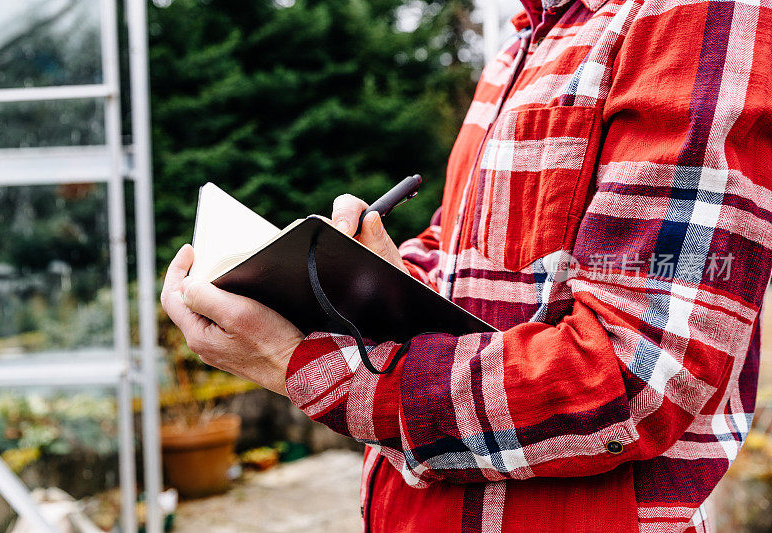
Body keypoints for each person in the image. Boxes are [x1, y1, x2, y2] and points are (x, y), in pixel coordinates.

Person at [160, 0, 772, 529]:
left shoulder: (692, 18)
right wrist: (354, 278)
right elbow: (464, 268)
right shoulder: (527, 40)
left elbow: (636, 375)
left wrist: (310, 367)